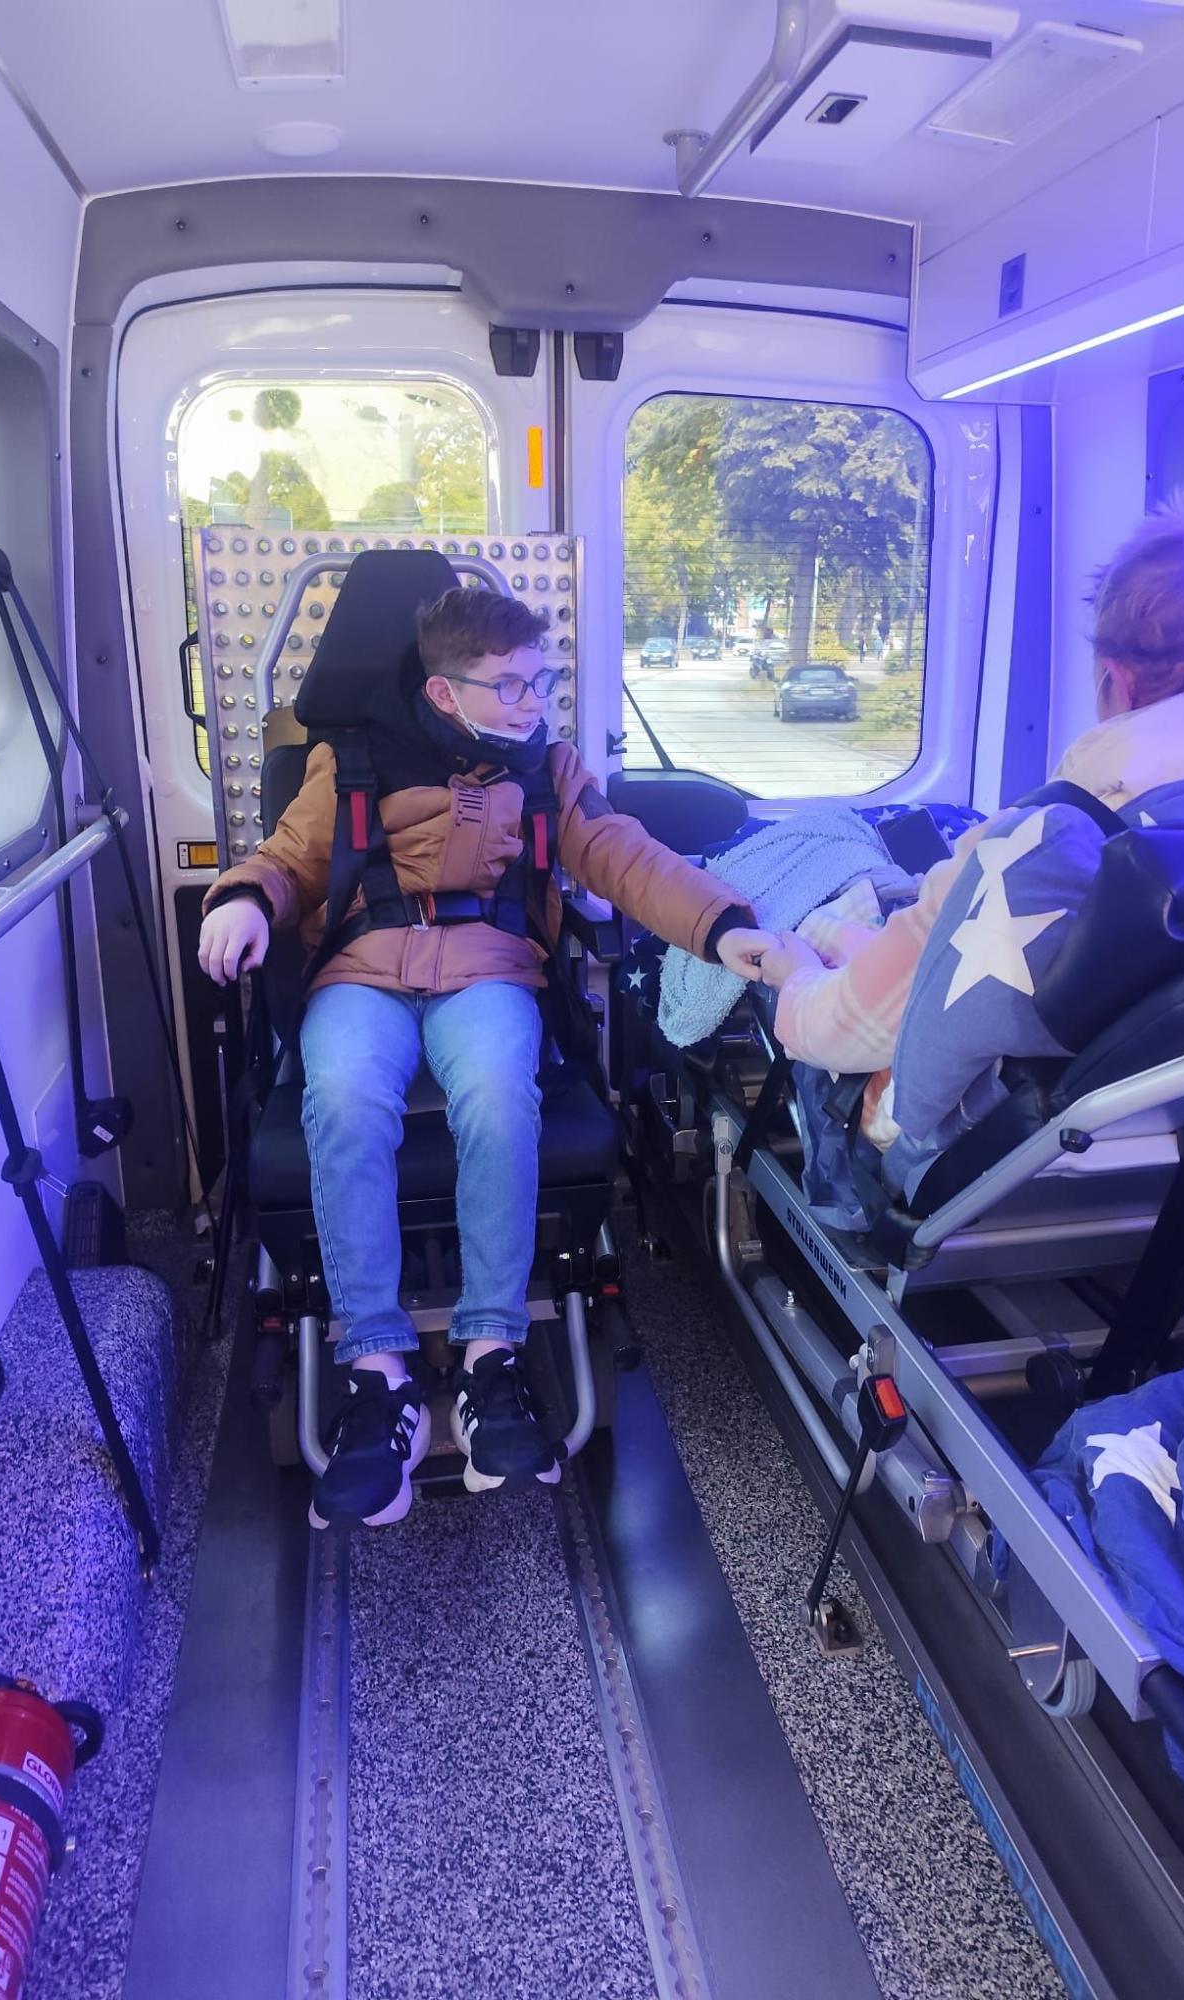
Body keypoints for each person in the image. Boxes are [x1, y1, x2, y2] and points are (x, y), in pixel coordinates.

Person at [198, 587, 770, 1528]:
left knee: (502, 1094)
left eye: (538, 680)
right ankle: (378, 1372)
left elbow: (626, 858)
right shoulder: (351, 760)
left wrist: (723, 925)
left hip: (488, 966)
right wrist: (245, 900)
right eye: (508, 685)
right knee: (341, 1093)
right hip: (366, 969)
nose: (531, 701)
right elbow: (290, 859)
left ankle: (490, 1355)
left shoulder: (546, 769)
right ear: (444, 692)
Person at [755, 510, 1184, 1156]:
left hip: (1043, 1147)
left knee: (833, 935)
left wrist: (796, 979)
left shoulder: (1045, 842)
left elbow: (848, 1030)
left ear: (1118, 679)